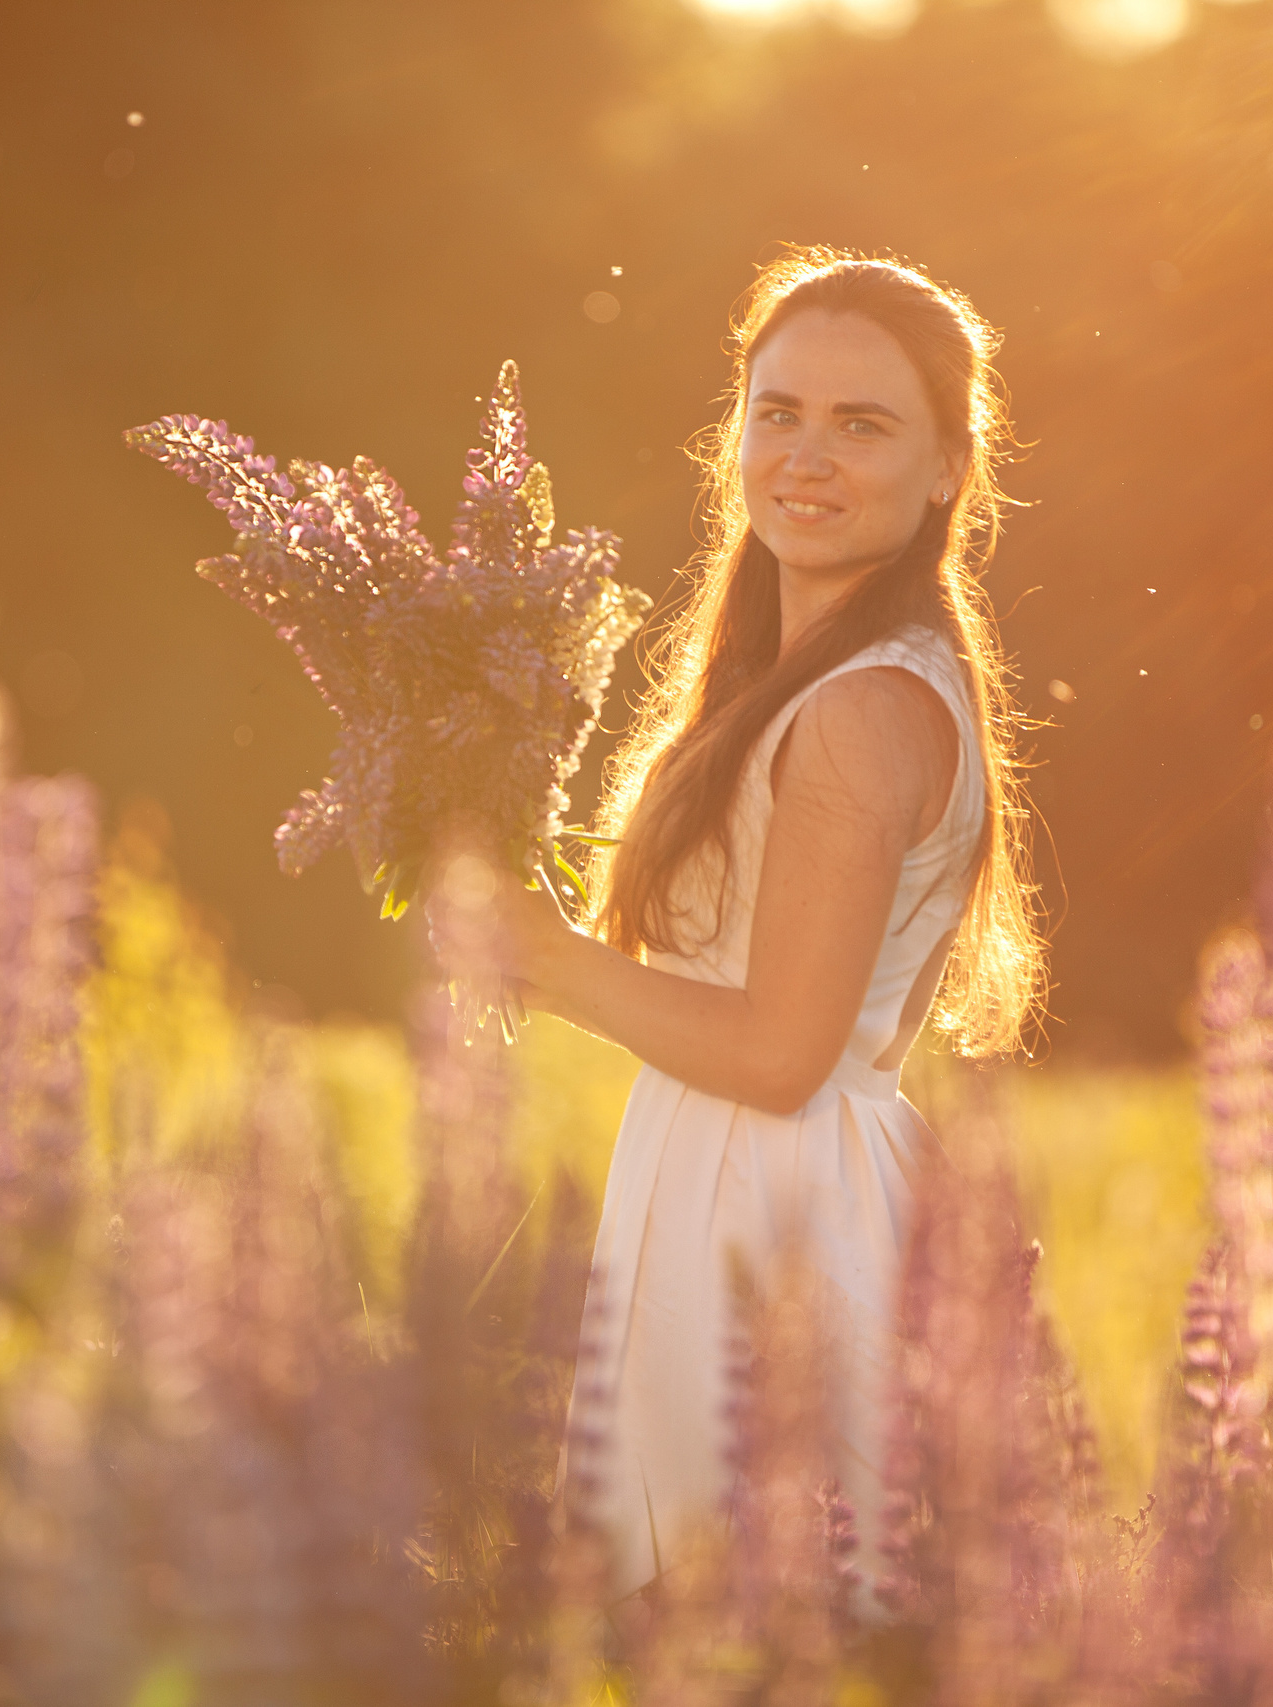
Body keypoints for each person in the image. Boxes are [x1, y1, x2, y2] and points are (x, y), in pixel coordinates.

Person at [431, 246, 1044, 1601]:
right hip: (735, 1179)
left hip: (782, 1207)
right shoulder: (805, 680)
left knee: (766, 1618)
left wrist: (540, 961)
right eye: (780, 413)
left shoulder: (862, 710)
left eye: (863, 425)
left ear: (948, 469)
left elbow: (777, 1053)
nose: (806, 458)